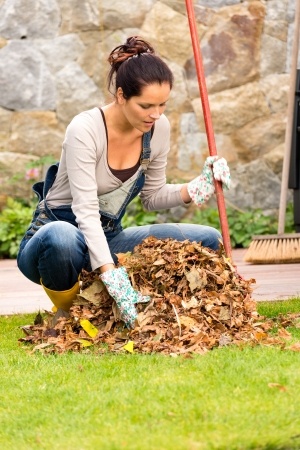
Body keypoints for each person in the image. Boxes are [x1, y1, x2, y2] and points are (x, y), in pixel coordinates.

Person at [17, 36, 230, 329]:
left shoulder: (158, 129)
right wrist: (110, 274)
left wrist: (196, 187)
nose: (155, 115)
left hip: (107, 237)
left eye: (162, 105)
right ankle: (68, 315)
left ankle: (162, 311)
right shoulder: (85, 129)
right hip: (54, 244)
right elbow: (86, 210)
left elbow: (153, 196)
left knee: (205, 237)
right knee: (62, 238)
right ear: (120, 95)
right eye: (145, 106)